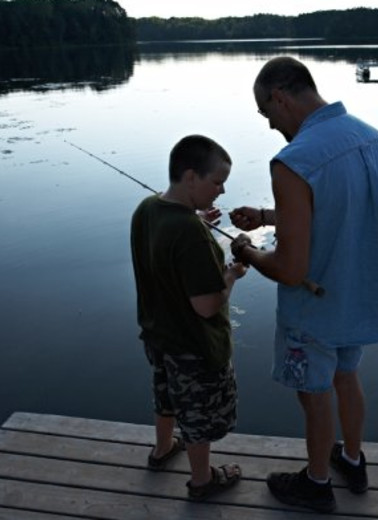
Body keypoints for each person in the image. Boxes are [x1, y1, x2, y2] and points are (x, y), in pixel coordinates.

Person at [229, 56, 378, 513]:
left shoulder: (294, 160)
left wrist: (246, 251)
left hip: (315, 308)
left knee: (314, 391)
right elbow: (338, 212)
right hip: (358, 296)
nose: (269, 126)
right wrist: (267, 217)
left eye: (267, 114)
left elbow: (289, 269)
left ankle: (317, 482)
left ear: (279, 97)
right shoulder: (372, 138)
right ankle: (352, 459)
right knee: (347, 375)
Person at [130, 134, 248, 501]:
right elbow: (207, 306)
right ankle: (202, 482)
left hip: (158, 337)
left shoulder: (147, 209)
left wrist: (194, 217)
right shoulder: (191, 234)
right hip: (194, 347)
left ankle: (162, 449)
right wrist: (231, 275)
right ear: (191, 177)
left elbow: (166, 249)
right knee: (198, 417)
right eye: (217, 181)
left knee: (165, 396)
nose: (222, 191)